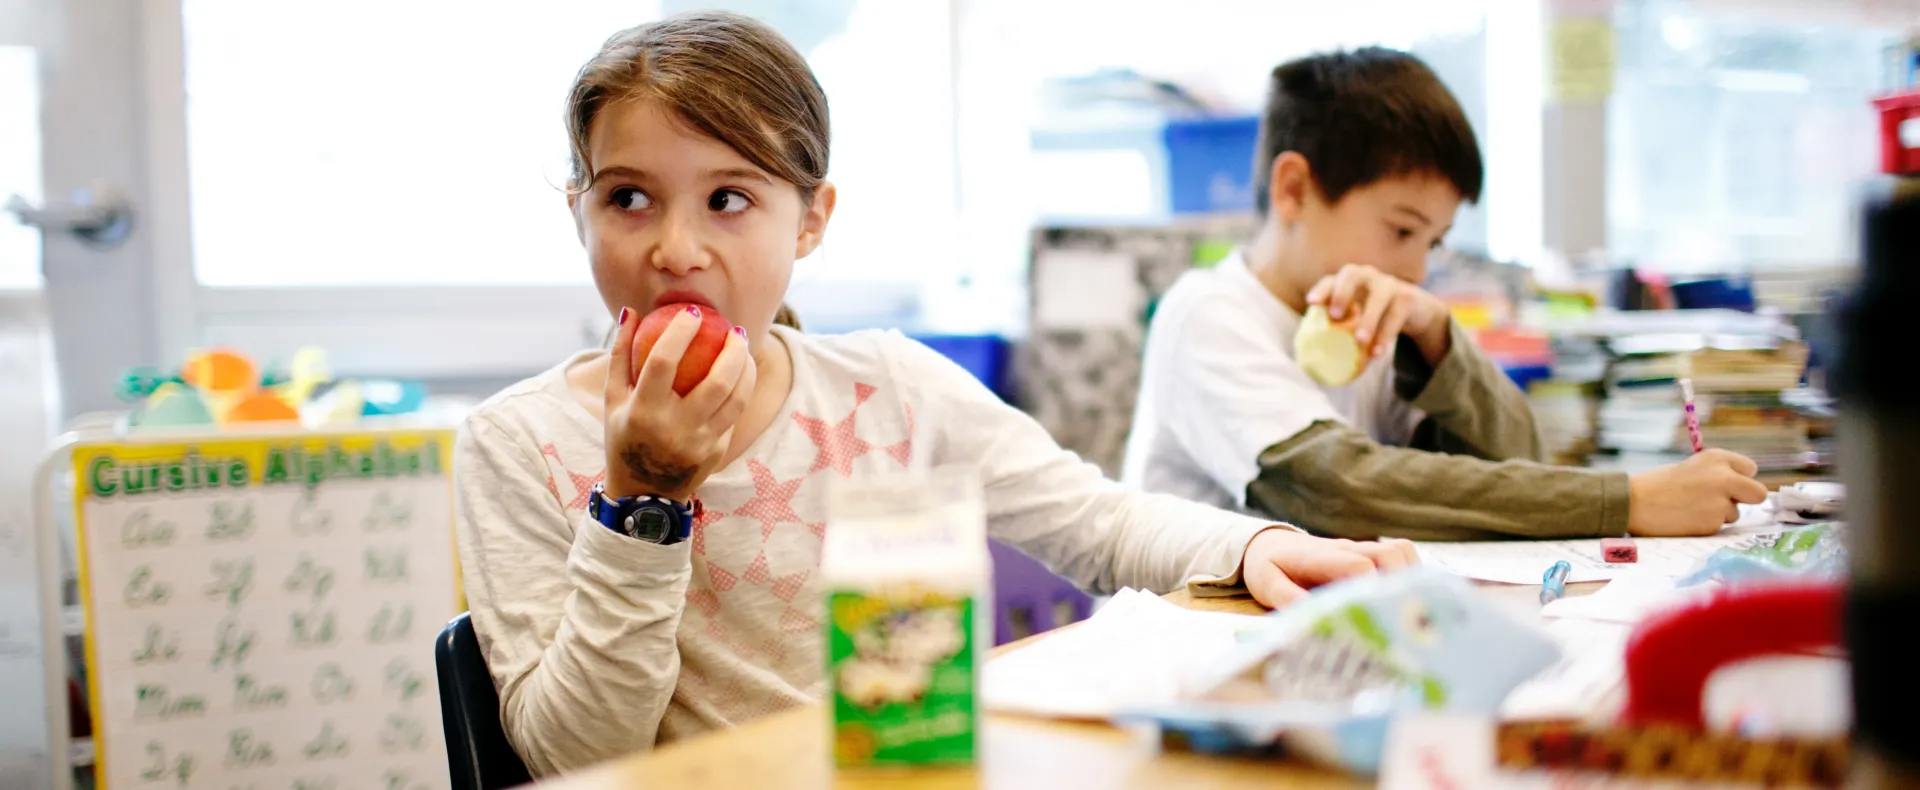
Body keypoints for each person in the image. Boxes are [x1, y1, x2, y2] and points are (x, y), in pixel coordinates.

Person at [452, 13, 1417, 777]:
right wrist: (643, 499)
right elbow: (576, 762)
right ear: (578, 209)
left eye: (729, 199)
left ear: (811, 222)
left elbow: (1099, 524)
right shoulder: (517, 441)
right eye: (628, 198)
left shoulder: (887, 390)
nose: (675, 249)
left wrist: (1258, 543)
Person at [1122, 47, 1768, 542]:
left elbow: (1517, 457)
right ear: (1294, 190)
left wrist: (1437, 340)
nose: (1414, 270)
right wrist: (1628, 500)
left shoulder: (1370, 324)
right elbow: (1335, 490)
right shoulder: (1207, 313)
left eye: (1432, 243)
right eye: (1401, 229)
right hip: (1180, 643)